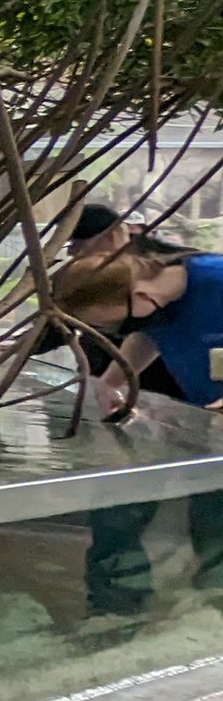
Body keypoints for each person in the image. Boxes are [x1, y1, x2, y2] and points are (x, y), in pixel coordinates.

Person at [53, 243, 223, 616]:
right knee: (123, 509)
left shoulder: (215, 279)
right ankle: (117, 611)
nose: (113, 332)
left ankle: (215, 610)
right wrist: (115, 377)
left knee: (216, 518)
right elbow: (150, 333)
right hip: (202, 423)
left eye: (115, 326)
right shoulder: (156, 304)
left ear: (141, 295)